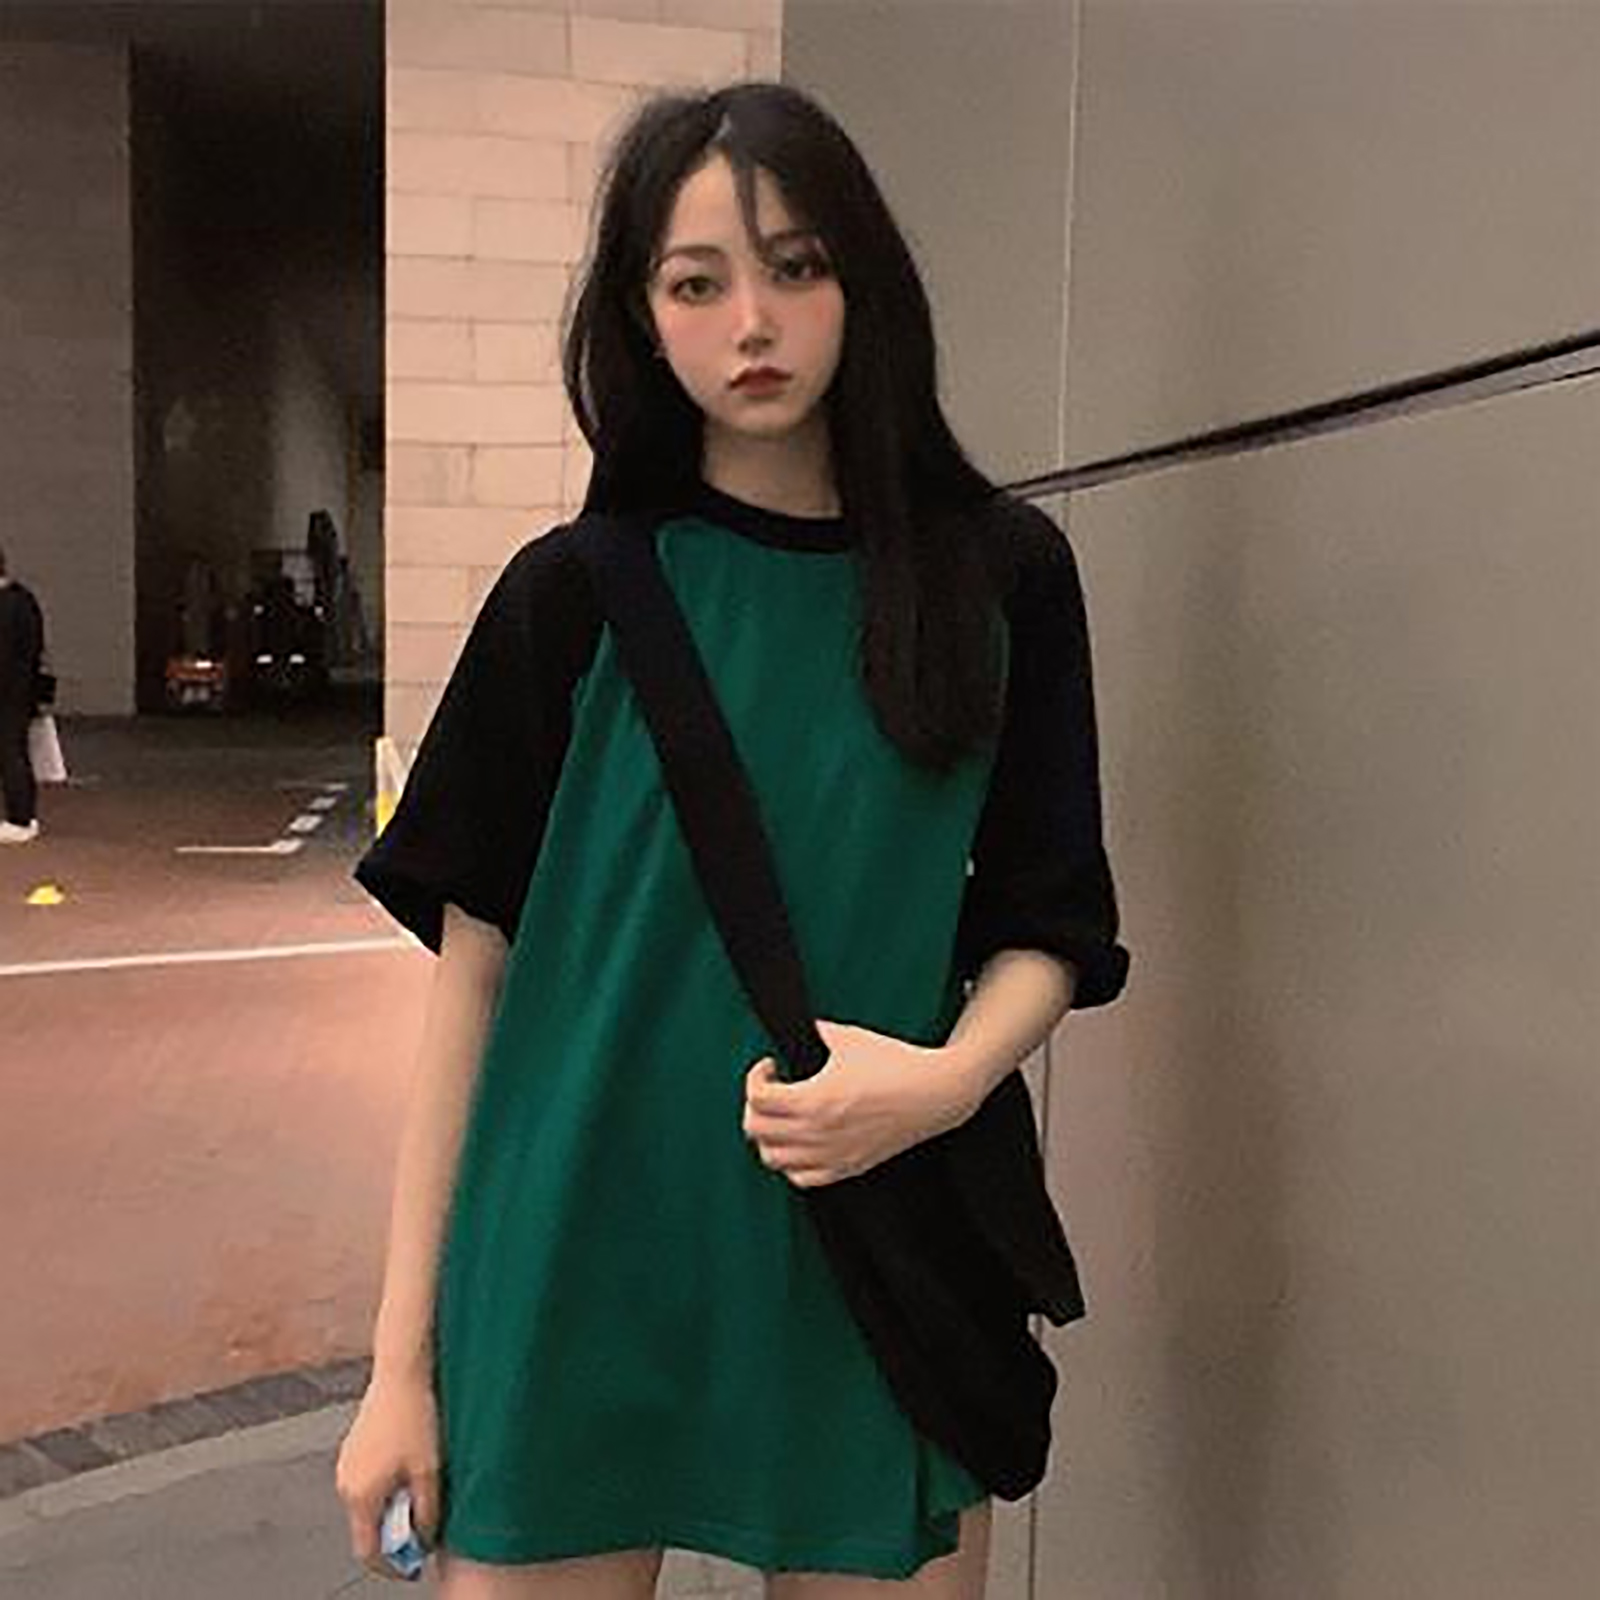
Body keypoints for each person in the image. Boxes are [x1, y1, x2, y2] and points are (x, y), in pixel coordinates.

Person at [336, 81, 1130, 1600]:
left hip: (869, 1242)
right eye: (696, 283)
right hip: (574, 1251)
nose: (751, 322)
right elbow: (474, 985)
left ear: (862, 284)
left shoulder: (1000, 578)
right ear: (642, 320)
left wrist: (946, 1081)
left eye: (795, 267)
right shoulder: (570, 597)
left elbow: (1053, 916)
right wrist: (398, 1367)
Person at [0, 544, 46, 844]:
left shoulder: (8, 605)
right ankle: (23, 816)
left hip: (8, 692)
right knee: (13, 751)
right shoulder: (24, 599)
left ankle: (20, 818)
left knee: (10, 753)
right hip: (20, 690)